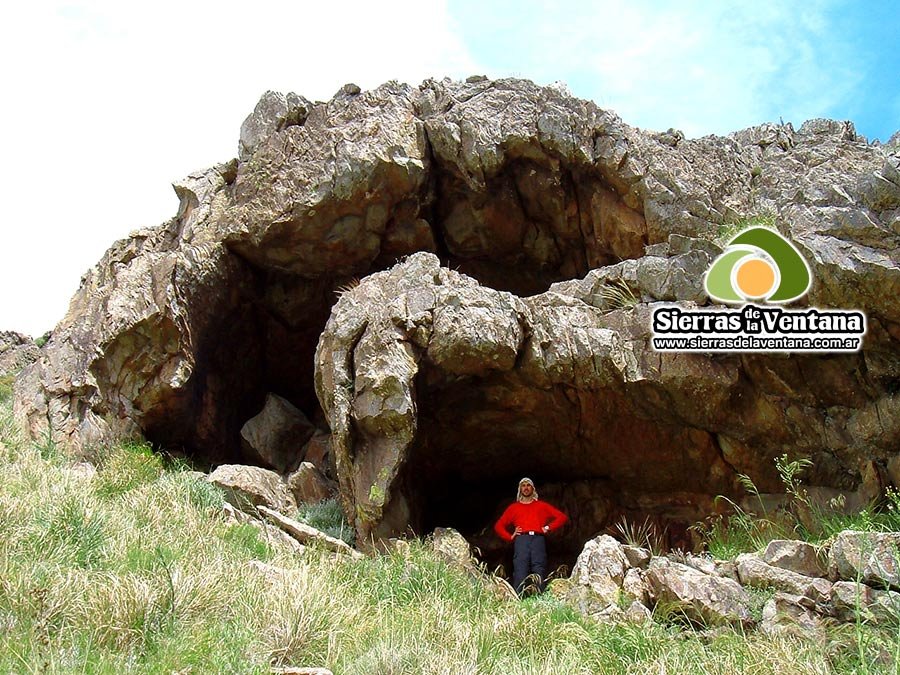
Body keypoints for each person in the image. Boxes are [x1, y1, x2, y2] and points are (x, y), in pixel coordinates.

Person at [494, 477, 568, 595]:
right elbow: (498, 526)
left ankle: (539, 597)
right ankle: (518, 598)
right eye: (523, 485)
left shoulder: (541, 506)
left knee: (539, 567)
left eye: (528, 485)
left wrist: (547, 527)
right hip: (522, 539)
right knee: (520, 568)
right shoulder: (514, 508)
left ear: (533, 489)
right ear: (520, 489)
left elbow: (562, 517)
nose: (526, 488)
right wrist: (510, 536)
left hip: (538, 539)